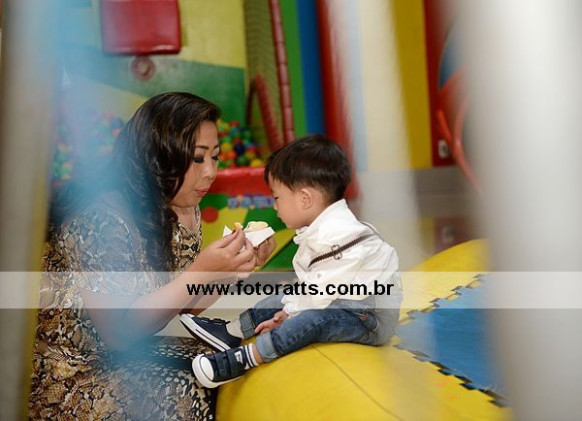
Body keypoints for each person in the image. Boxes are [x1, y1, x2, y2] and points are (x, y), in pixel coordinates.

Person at [28, 92, 276, 420]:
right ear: (158, 158)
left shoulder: (180, 204)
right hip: (69, 374)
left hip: (125, 353)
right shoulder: (101, 218)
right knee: (188, 390)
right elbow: (118, 333)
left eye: (215, 157)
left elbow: (184, 304)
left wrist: (235, 268)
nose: (210, 172)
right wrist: (201, 272)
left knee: (228, 358)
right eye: (197, 158)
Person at [181, 134, 402, 388]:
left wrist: (288, 315)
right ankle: (232, 331)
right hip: (345, 300)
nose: (275, 207)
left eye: (277, 198)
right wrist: (287, 307)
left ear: (305, 199)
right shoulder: (323, 229)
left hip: (369, 318)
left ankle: (247, 358)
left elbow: (321, 293)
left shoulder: (338, 236)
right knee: (285, 295)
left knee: (311, 320)